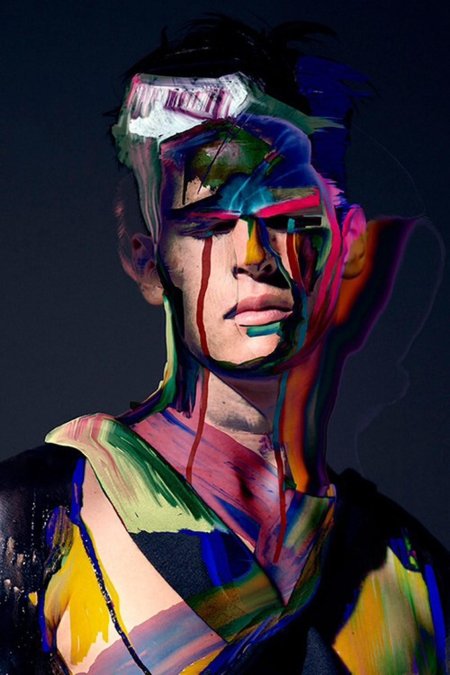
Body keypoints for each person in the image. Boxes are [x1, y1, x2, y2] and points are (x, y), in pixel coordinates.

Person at [0, 15, 448, 674]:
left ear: (340, 246)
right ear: (147, 259)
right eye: (211, 223)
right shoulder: (37, 520)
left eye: (290, 216)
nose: (255, 256)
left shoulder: (412, 570)